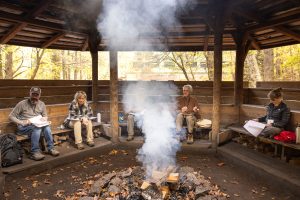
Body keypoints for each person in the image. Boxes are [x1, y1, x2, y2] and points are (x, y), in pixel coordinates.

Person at [9, 87, 60, 161]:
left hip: (37, 124)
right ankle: (34, 152)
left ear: (39, 95)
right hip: (23, 127)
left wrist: (45, 119)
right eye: (33, 94)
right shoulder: (22, 104)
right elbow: (11, 116)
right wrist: (22, 122)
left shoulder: (42, 104)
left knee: (47, 127)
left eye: (37, 95)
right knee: (37, 128)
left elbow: (45, 115)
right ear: (30, 94)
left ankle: (50, 148)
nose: (34, 97)